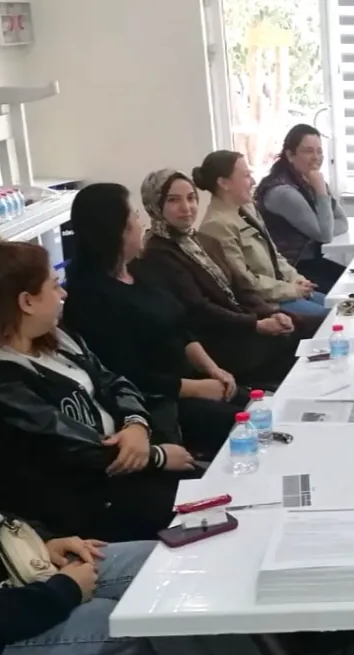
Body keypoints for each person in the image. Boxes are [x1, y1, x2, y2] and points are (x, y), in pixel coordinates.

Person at [0, 303, 347, 655]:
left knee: (180, 567)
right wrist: (62, 591)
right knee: (164, 621)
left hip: (12, 579)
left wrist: (43, 545)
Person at [0, 234, 191, 542]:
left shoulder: (56, 339)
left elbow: (113, 381)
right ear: (26, 302)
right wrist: (156, 457)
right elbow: (65, 445)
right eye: (55, 285)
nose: (64, 293)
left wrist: (136, 424)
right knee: (201, 510)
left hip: (123, 470)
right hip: (80, 505)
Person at [63, 182, 244, 457]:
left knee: (263, 405)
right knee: (248, 426)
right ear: (118, 231)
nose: (142, 224)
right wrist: (197, 388)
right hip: (159, 402)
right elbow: (128, 375)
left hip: (191, 378)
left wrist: (213, 369)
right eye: (135, 216)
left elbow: (179, 326)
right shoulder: (90, 298)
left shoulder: (139, 269)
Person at [135, 169, 308, 390]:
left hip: (244, 325)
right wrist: (255, 325)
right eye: (173, 200)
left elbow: (240, 288)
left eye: (191, 198)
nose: (186, 207)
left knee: (307, 326)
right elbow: (199, 309)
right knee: (306, 341)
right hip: (218, 342)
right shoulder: (158, 253)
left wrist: (271, 314)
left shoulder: (202, 240)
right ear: (154, 205)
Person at [195, 150, 330, 320]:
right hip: (266, 304)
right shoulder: (216, 225)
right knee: (333, 317)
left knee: (342, 306)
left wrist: (296, 279)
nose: (252, 181)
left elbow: (274, 255)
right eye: (246, 176)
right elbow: (245, 282)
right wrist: (291, 290)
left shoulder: (247, 209)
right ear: (223, 183)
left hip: (283, 291)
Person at [255, 124, 349, 293]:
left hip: (311, 262)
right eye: (308, 151)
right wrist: (321, 191)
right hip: (291, 270)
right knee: (349, 292)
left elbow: (342, 221)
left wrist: (324, 225)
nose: (316, 157)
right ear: (290, 155)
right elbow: (325, 235)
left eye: (319, 151)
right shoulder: (283, 192)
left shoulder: (309, 180)